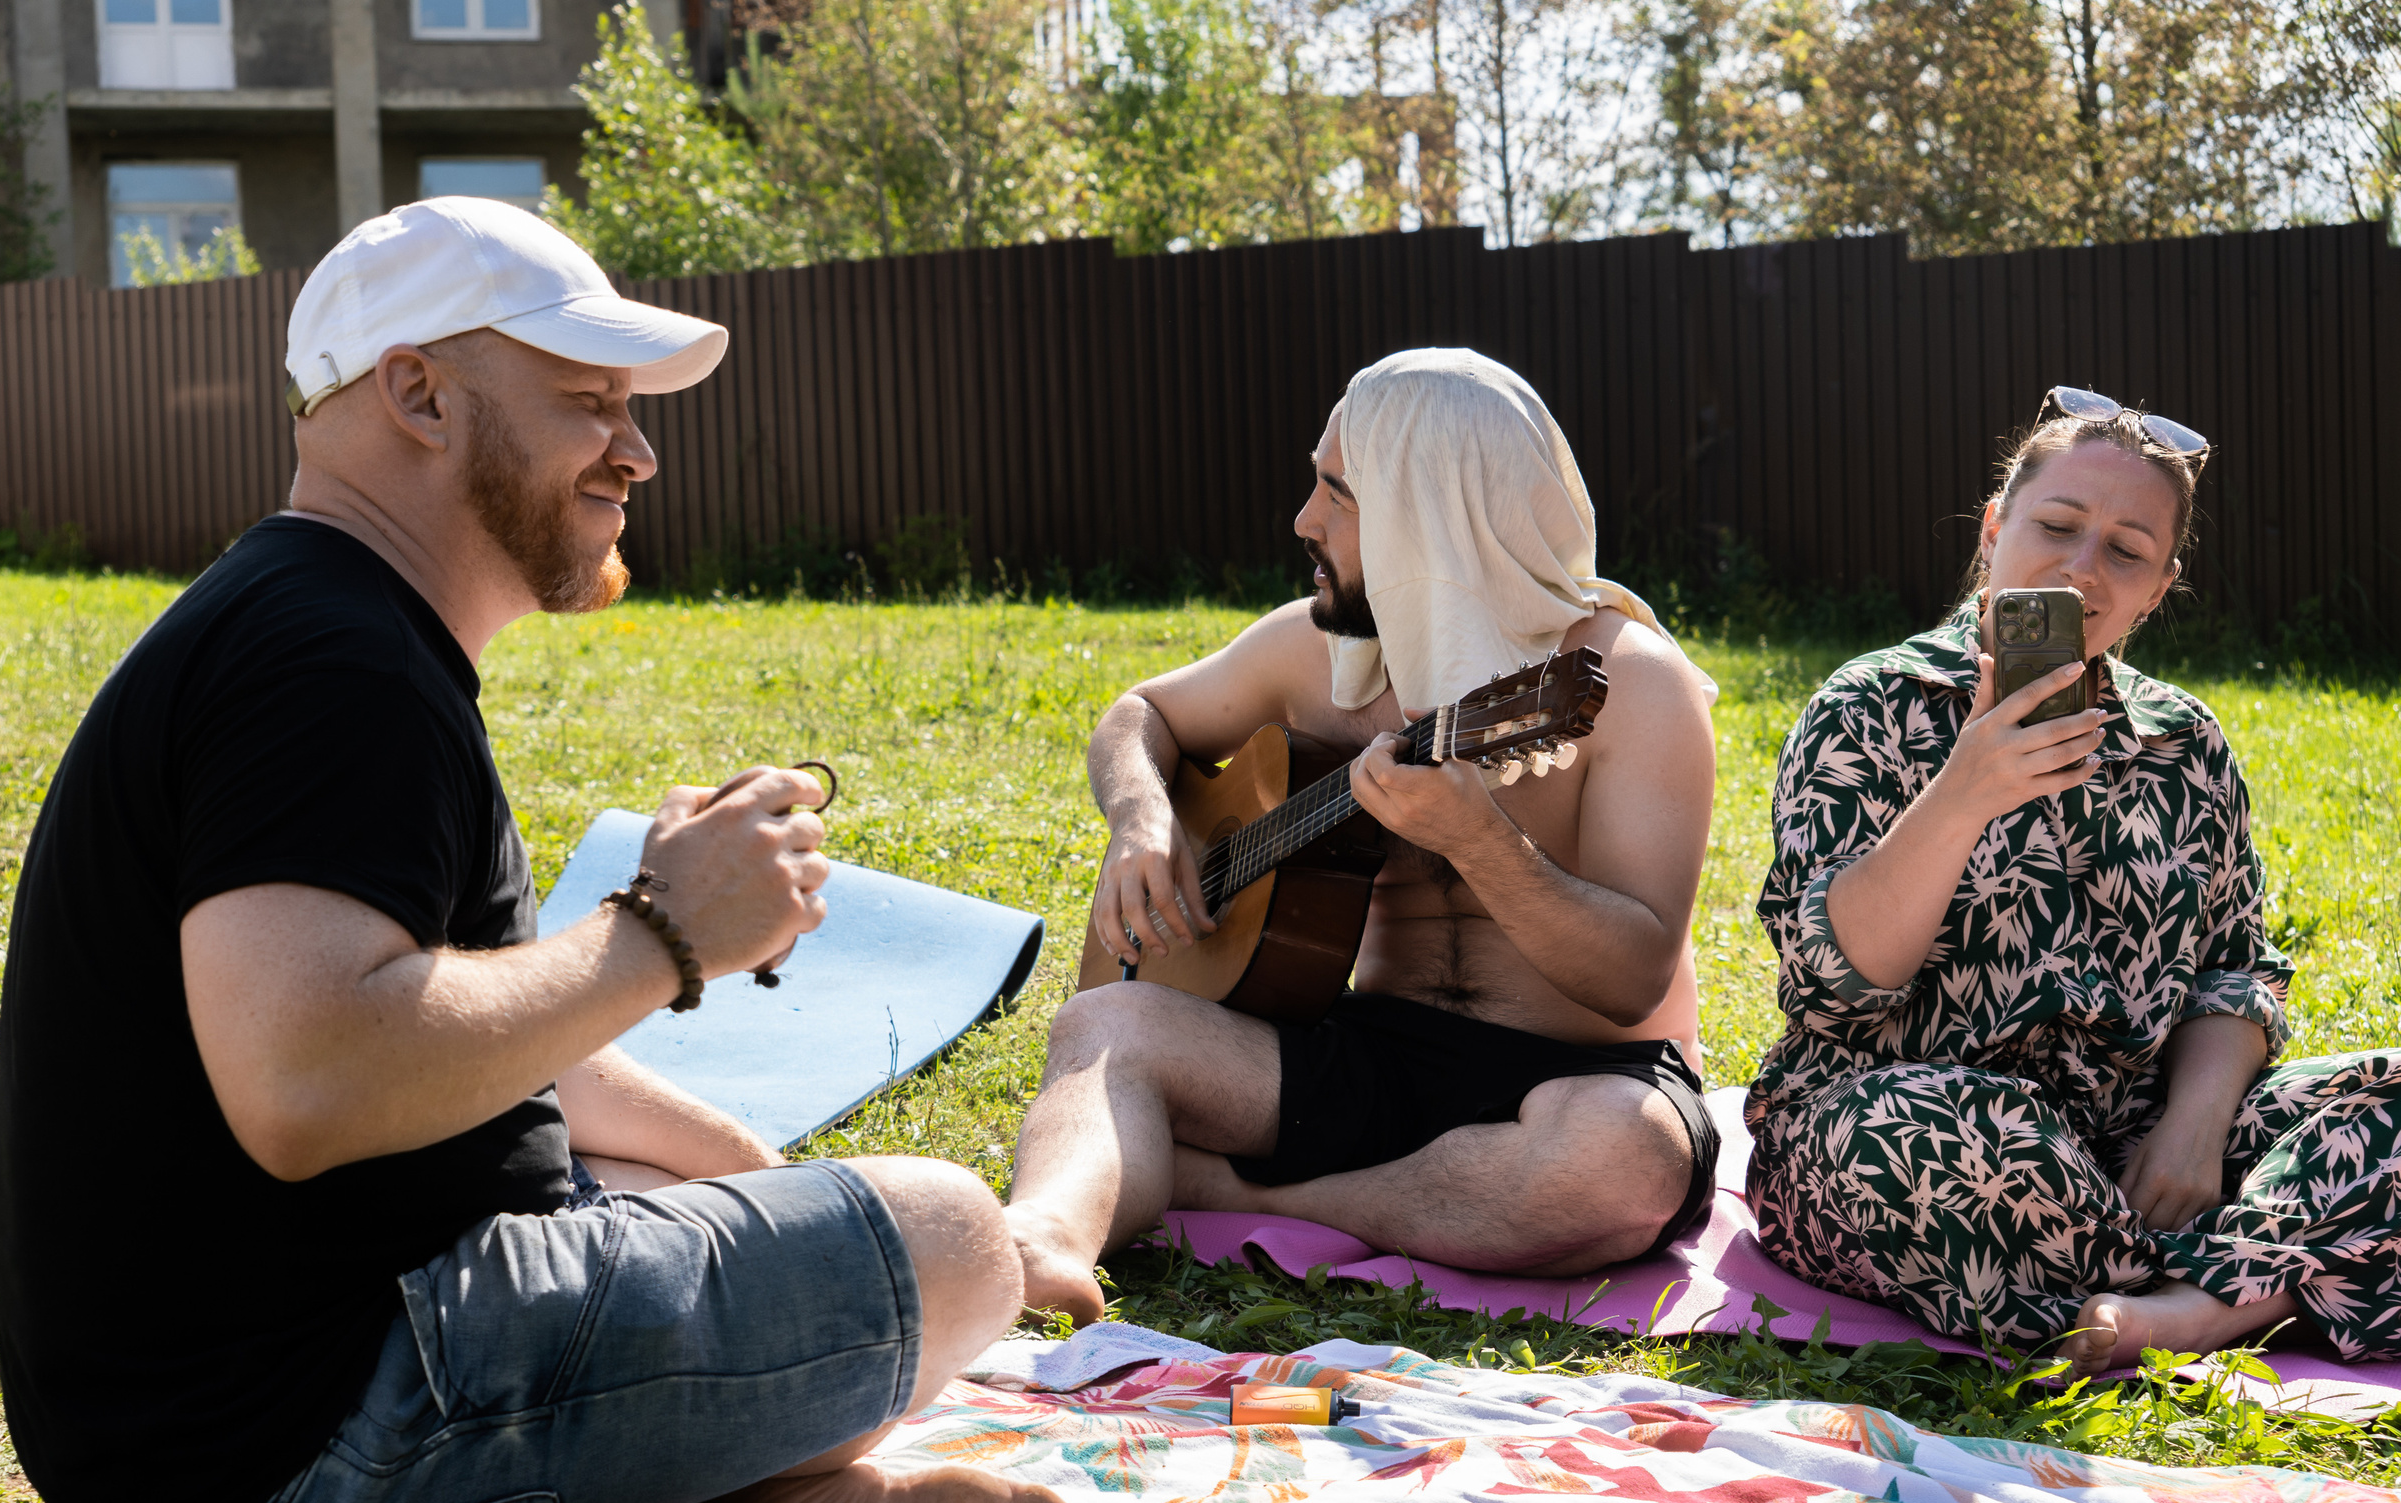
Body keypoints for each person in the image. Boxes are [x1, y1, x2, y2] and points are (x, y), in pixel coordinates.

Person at [0, 198, 1069, 1503]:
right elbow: (305, 1078)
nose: (637, 448)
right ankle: (777, 1480)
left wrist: (746, 1167)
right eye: (586, 400)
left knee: (702, 1178)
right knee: (952, 1235)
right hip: (291, 1460)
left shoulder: (329, 623)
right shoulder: (332, 665)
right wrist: (660, 933)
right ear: (419, 395)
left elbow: (504, 1040)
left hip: (218, 1423)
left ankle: (747, 1470)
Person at [1004, 348, 1722, 1324]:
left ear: (1428, 516)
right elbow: (1141, 715)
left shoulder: (1626, 686)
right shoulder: (1316, 651)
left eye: (1336, 493)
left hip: (1578, 1075)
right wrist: (1141, 818)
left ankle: (1229, 1192)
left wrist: (1478, 840)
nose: (1305, 520)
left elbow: (1633, 976)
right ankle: (1039, 1244)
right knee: (1101, 1026)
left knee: (1621, 1164)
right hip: (1366, 1057)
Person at [1745, 387, 2401, 1377]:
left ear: (2158, 588)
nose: (2082, 569)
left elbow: (2235, 971)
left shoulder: (2185, 744)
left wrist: (2193, 1127)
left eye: (2125, 552)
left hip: (2132, 1143)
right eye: (2055, 526)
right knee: (1931, 1142)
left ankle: (2177, 1310)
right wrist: (1960, 795)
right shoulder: (1871, 708)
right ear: (1995, 530)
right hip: (1905, 1120)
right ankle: (2258, 1281)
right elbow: (1831, 987)